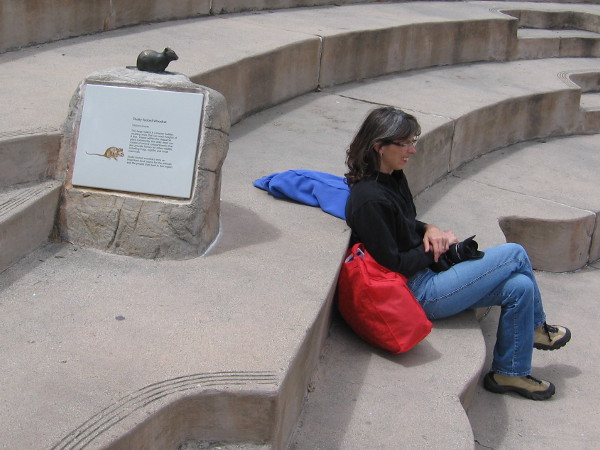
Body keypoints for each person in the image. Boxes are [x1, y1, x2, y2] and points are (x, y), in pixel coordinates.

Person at [344, 106, 571, 400]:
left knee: (521, 286)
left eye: (414, 141)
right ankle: (538, 329)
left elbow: (403, 222)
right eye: (405, 144)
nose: (412, 150)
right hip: (418, 291)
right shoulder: (368, 199)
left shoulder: (392, 176)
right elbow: (395, 263)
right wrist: (437, 251)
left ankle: (508, 373)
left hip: (427, 274)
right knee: (515, 253)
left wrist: (430, 229)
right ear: (379, 146)